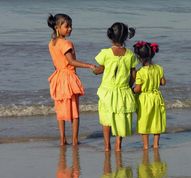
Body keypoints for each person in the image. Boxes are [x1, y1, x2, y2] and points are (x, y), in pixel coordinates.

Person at [47, 13, 95, 146]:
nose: (70, 29)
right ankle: (74, 139)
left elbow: (56, 62)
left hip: (58, 77)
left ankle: (62, 138)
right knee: (74, 111)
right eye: (67, 26)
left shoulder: (52, 43)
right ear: (57, 27)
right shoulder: (66, 43)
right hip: (68, 78)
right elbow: (71, 61)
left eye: (71, 26)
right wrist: (89, 65)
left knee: (60, 110)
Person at [93, 22, 137, 152]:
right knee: (120, 118)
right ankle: (118, 145)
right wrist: (129, 86)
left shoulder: (105, 53)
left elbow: (99, 69)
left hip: (107, 92)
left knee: (106, 119)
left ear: (110, 36)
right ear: (126, 38)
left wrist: (94, 70)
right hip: (123, 91)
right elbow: (133, 74)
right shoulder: (130, 55)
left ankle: (107, 146)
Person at [133, 41, 166, 150]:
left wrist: (132, 90)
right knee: (156, 120)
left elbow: (138, 89)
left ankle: (146, 145)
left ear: (139, 57)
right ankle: (156, 144)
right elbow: (163, 83)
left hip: (145, 99)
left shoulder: (140, 72)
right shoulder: (159, 68)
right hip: (156, 97)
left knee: (144, 121)